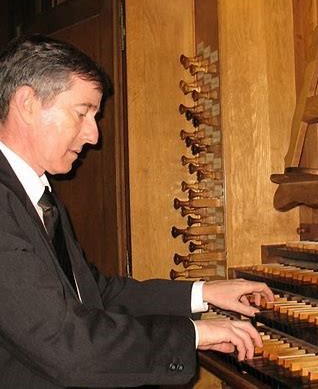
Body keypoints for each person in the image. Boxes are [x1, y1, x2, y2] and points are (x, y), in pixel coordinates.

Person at [0, 34, 274, 389]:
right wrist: (193, 334)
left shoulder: (38, 195)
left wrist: (202, 293)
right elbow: (67, 347)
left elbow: (97, 294)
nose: (94, 135)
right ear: (27, 103)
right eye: (82, 112)